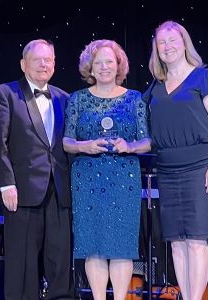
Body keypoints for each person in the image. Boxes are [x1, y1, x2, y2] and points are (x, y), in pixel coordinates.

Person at [144, 20, 208, 300]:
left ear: (184, 43)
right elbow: (146, 130)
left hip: (199, 167)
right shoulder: (155, 86)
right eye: (161, 43)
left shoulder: (204, 77)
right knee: (177, 243)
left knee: (195, 240)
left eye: (172, 41)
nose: (167, 47)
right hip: (167, 171)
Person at [63, 39, 151, 300]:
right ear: (90, 67)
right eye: (98, 62)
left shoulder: (135, 99)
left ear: (118, 65)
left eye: (109, 61)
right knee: (94, 246)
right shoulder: (77, 99)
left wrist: (131, 146)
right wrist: (85, 145)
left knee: (121, 245)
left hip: (124, 177)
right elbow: (66, 142)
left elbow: (147, 141)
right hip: (86, 178)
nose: (104, 67)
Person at [0, 39, 74, 300]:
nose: (44, 64)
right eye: (38, 60)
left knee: (60, 260)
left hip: (59, 191)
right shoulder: (5, 93)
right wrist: (5, 183)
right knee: (22, 265)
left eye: (48, 60)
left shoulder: (65, 98)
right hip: (21, 192)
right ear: (24, 64)